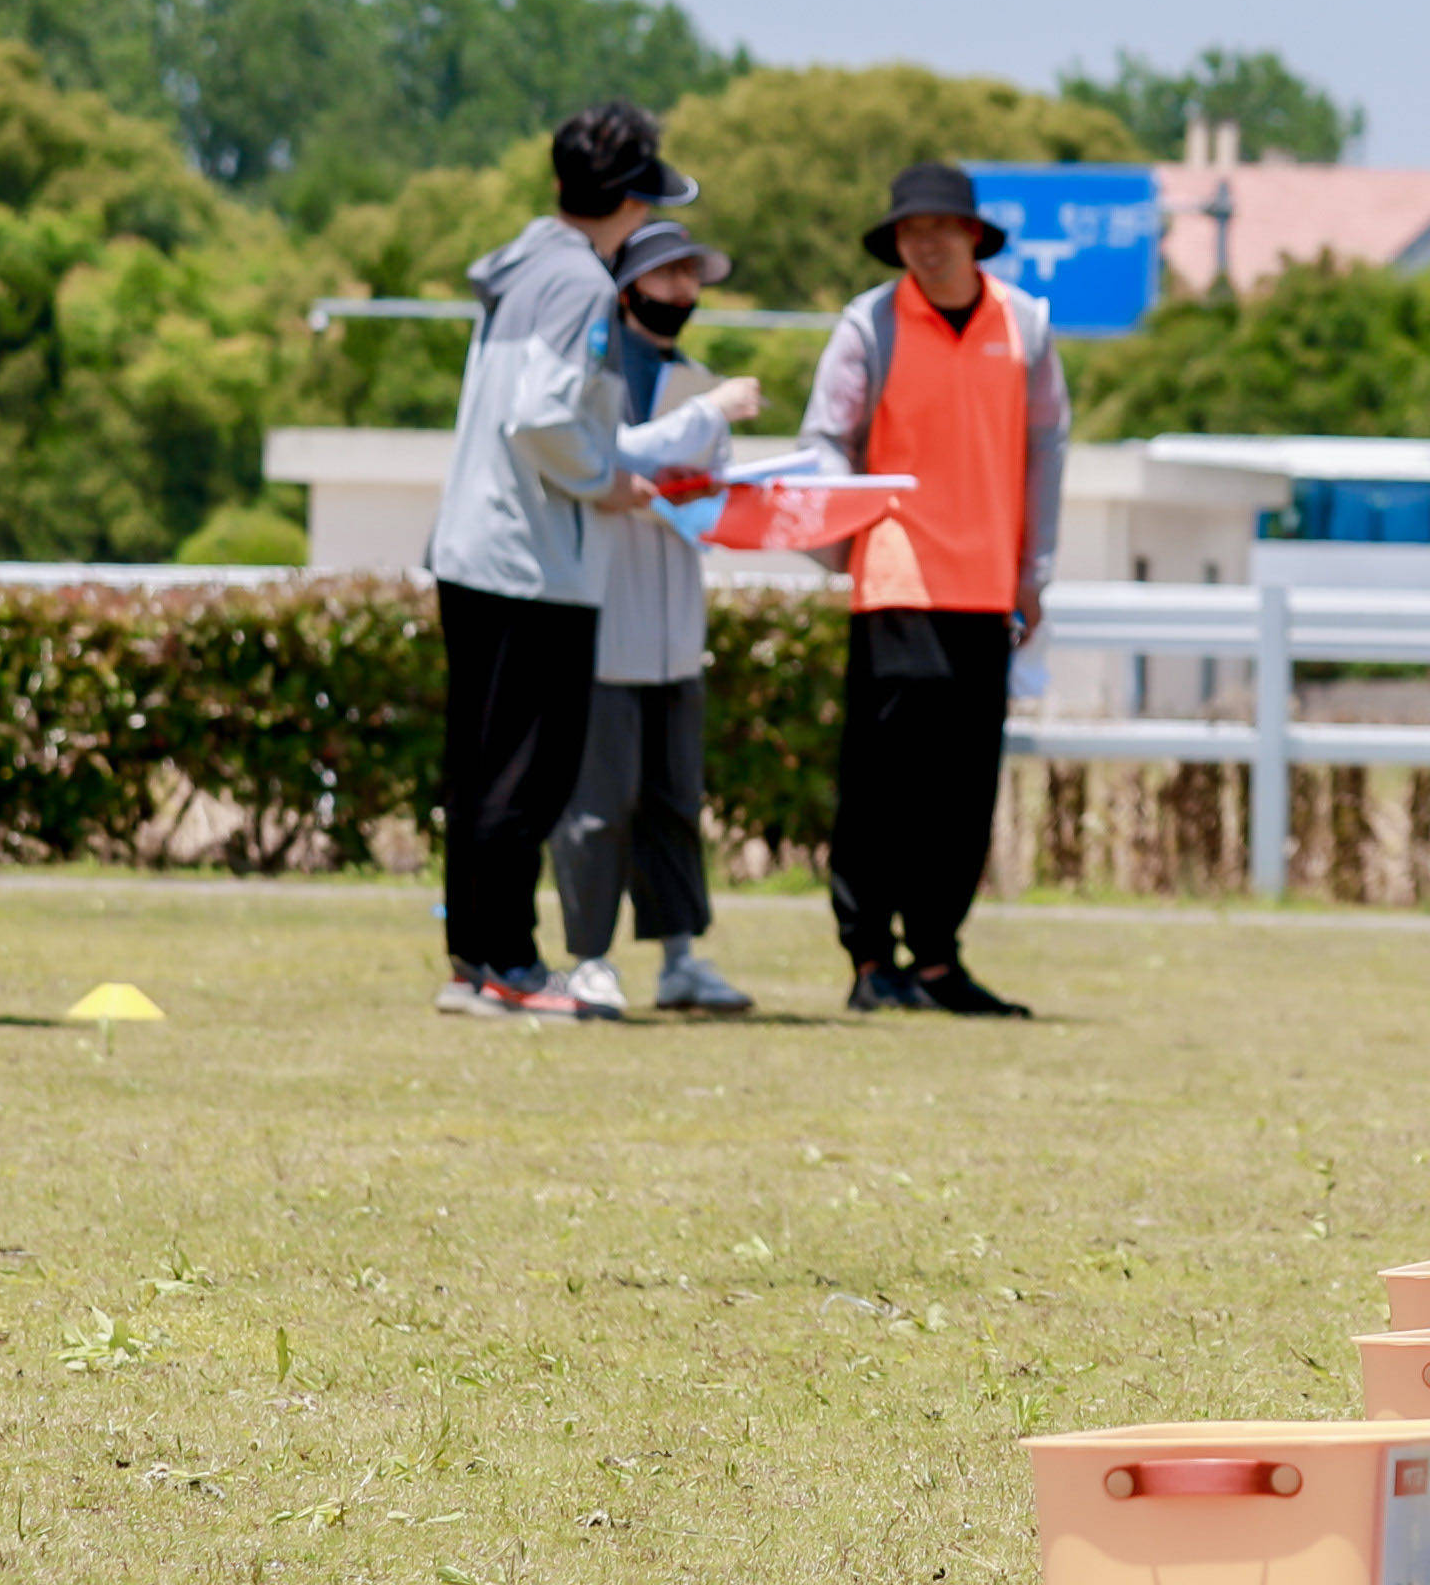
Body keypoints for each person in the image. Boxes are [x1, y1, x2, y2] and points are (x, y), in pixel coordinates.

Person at [429, 102, 723, 1022]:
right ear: (632, 201)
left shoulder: (520, 269)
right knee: (527, 773)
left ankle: (476, 961)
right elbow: (544, 414)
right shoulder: (580, 286)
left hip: (476, 546)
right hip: (532, 558)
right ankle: (510, 964)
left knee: (481, 769)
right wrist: (608, 483)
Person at [799, 159, 1065, 1018]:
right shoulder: (868, 325)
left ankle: (939, 954)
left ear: (974, 236)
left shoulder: (1024, 324)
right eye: (911, 232)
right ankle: (870, 955)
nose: (928, 245)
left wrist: (1036, 570)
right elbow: (826, 439)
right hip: (894, 574)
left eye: (942, 229)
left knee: (963, 783)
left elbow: (1046, 449)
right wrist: (836, 545)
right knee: (883, 777)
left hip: (986, 581)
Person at [550, 217, 769, 1018]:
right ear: (629, 284)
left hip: (677, 622)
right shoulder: (595, 368)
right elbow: (615, 460)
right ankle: (589, 957)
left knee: (675, 798)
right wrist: (706, 417)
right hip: (605, 617)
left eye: (691, 277)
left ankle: (680, 958)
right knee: (598, 802)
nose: (681, 292)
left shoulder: (695, 378)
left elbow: (702, 493)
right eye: (666, 275)